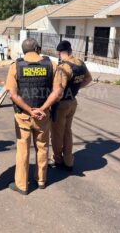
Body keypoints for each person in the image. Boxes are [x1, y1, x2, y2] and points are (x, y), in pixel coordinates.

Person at [5, 38, 65, 194]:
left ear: (23, 50)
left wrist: (30, 110)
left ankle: (22, 185)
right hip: (43, 116)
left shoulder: (15, 66)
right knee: (43, 147)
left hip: (23, 116)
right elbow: (57, 91)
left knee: (22, 149)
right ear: (38, 48)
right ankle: (41, 181)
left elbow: (13, 94)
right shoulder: (52, 65)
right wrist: (43, 108)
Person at [50, 40, 92, 171]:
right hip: (73, 102)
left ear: (59, 53)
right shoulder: (80, 63)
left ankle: (58, 159)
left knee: (57, 133)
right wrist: (76, 89)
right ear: (70, 51)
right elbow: (88, 79)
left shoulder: (64, 67)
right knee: (67, 131)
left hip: (62, 105)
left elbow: (59, 89)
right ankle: (69, 160)